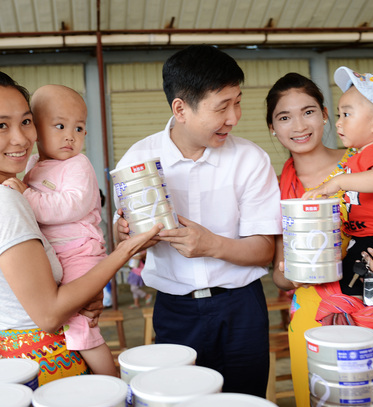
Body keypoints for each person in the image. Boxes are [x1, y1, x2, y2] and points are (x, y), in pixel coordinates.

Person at [0, 69, 161, 386]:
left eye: (26, 121)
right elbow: (49, 314)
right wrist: (125, 251)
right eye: (1, 125)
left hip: (25, 362)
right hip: (54, 368)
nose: (21, 138)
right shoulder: (3, 200)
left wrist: (84, 288)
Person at [113, 44, 282, 397]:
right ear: (181, 109)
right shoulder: (139, 159)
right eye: (222, 106)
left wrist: (211, 245)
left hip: (241, 308)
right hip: (175, 311)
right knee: (178, 400)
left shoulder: (250, 160)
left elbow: (265, 251)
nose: (234, 117)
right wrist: (124, 232)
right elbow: (127, 237)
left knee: (243, 399)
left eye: (237, 102)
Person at [268, 71, 373, 403]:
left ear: (326, 115)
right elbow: (280, 277)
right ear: (273, 127)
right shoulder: (276, 188)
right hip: (312, 311)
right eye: (284, 117)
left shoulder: (364, 162)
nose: (299, 125)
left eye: (308, 111)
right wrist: (296, 267)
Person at [2, 84, 116, 376]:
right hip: (56, 256)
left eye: (79, 128)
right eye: (60, 126)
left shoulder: (79, 164)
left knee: (81, 325)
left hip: (80, 253)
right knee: (64, 319)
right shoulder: (32, 165)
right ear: (36, 131)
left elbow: (71, 206)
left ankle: (112, 380)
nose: (70, 136)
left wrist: (27, 196)